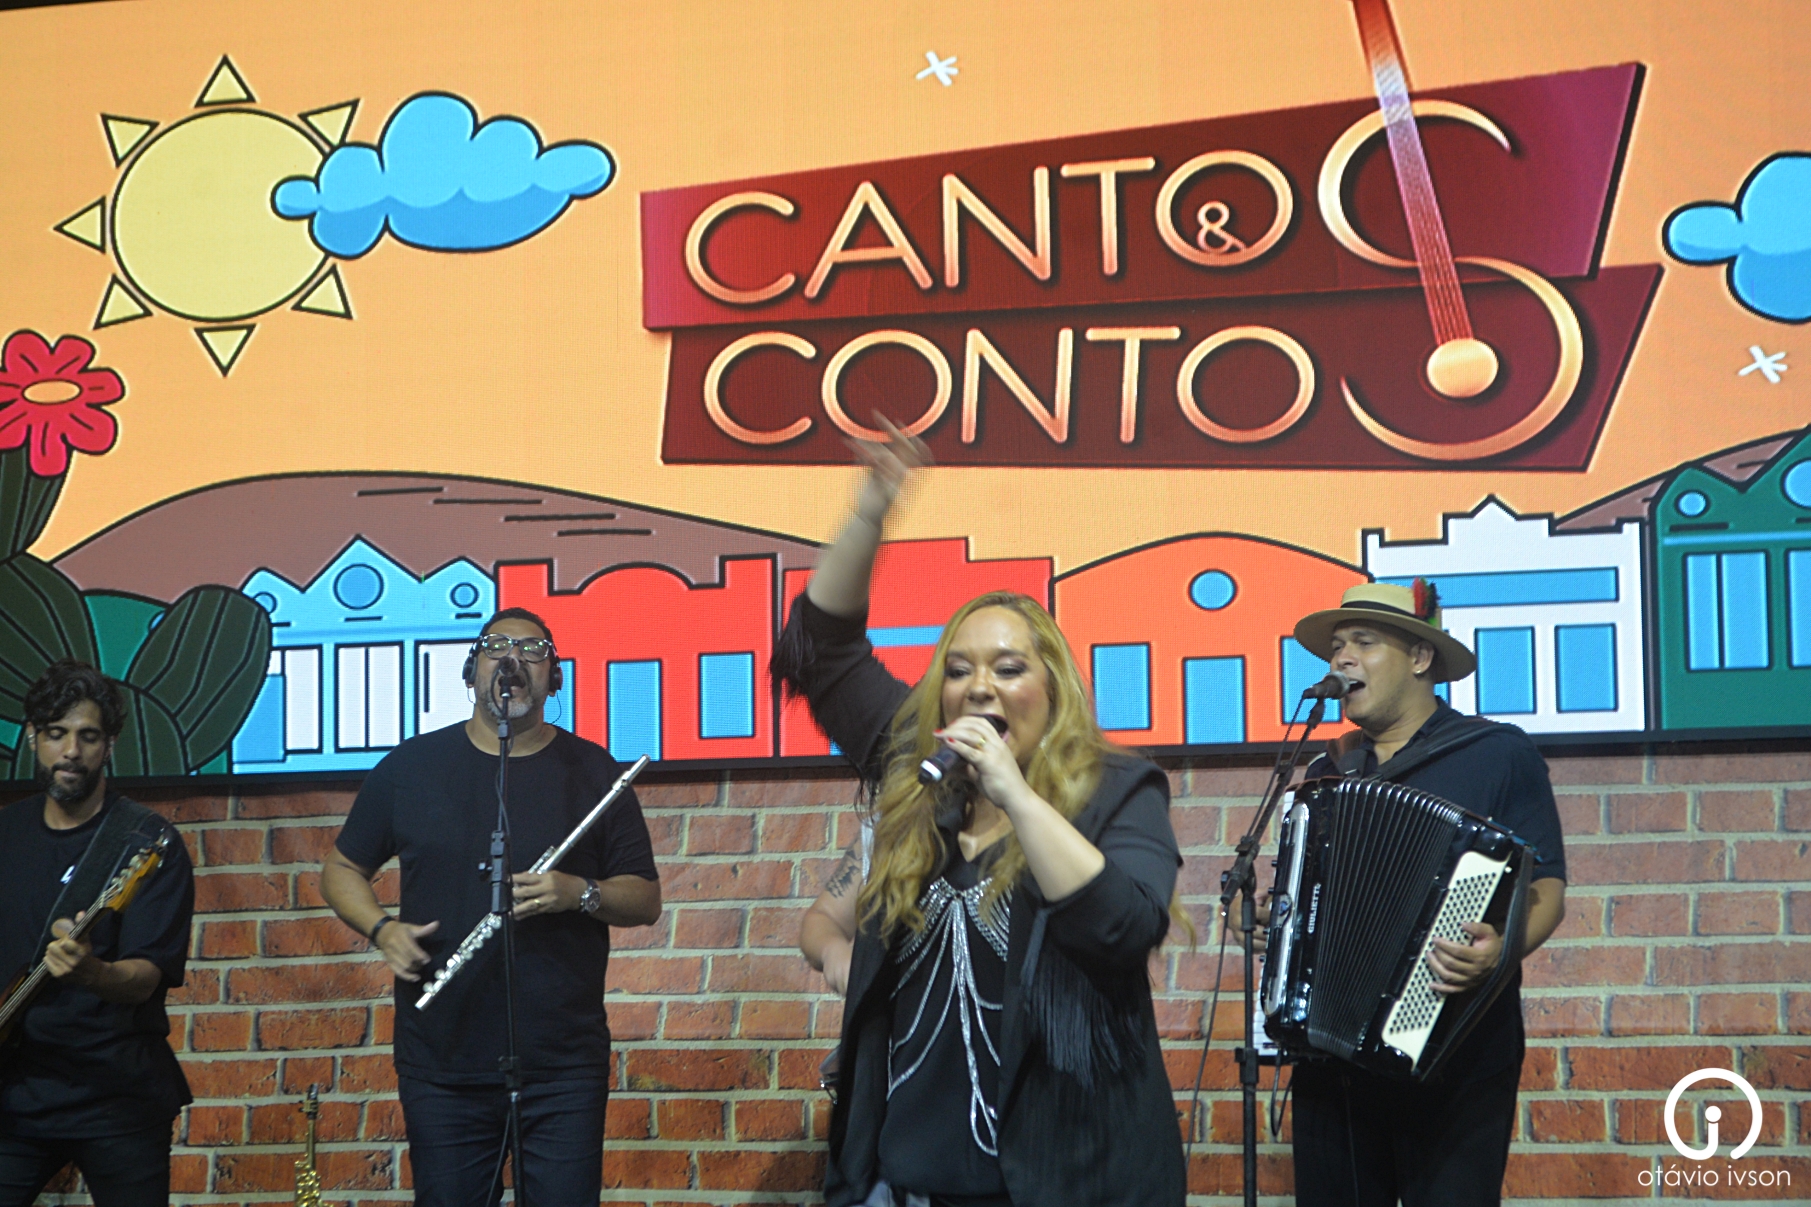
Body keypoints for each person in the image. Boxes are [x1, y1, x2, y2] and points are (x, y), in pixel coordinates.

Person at [785, 420, 1186, 1207]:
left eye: (1007, 668)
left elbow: (1123, 926)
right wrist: (871, 509)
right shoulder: (922, 772)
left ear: (1052, 689)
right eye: (959, 670)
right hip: (908, 1183)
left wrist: (1014, 793)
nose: (979, 687)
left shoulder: (1116, 790)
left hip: (1063, 1184)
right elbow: (817, 650)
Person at [320, 607, 661, 1207]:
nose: (513, 659)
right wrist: (382, 929)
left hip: (562, 1066)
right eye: (496, 646)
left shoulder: (593, 772)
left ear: (554, 678)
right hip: (443, 1059)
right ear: (470, 670)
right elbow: (341, 870)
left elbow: (645, 897)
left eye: (533, 650)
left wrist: (578, 892)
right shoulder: (411, 767)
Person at [1277, 582, 1569, 1207]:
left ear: (1419, 657)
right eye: (1336, 647)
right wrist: (1277, 928)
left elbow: (1547, 886)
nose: (1341, 659)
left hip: (1459, 1049)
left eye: (1363, 642)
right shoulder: (1327, 774)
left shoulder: (1495, 754)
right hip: (1333, 1059)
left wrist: (1499, 951)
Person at [0, 660, 194, 1207]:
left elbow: (145, 978)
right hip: (14, 1096)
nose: (71, 751)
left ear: (109, 745)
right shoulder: (6, 835)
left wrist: (90, 972)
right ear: (32, 737)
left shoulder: (146, 843)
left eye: (88, 736)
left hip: (117, 1097)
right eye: (55, 734)